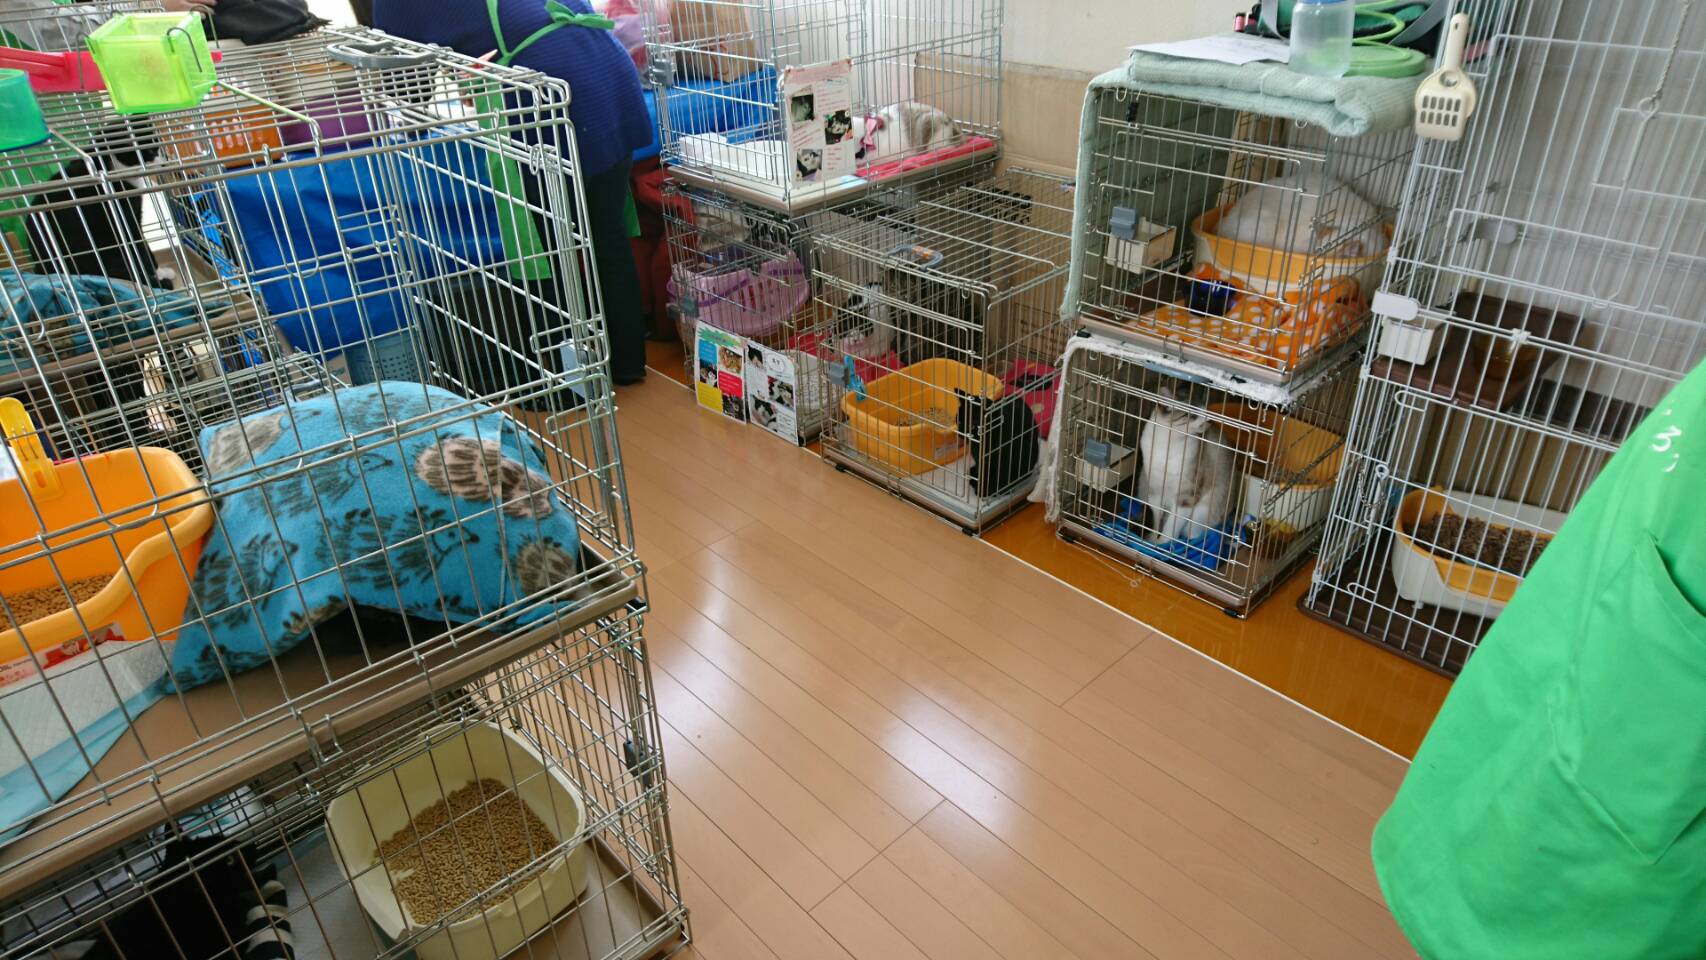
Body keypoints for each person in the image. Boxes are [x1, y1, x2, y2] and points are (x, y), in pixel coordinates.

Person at [359, 0, 653, 385]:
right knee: (606, 235)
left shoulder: (394, 7)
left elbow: (408, 90)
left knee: (547, 250)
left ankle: (566, 381)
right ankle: (626, 365)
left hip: (548, 94)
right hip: (605, 72)